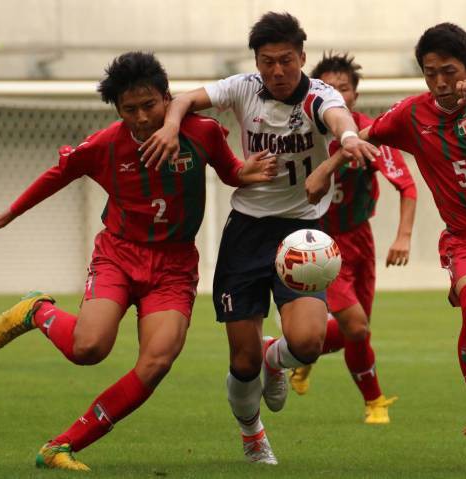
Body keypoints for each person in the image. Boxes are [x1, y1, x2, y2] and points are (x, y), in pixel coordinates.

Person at [0, 51, 276, 471]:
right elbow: (58, 175)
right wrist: (9, 213)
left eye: (149, 105)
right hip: (118, 255)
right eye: (129, 109)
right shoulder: (104, 145)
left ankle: (61, 446)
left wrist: (247, 172)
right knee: (89, 348)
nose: (141, 117)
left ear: (167, 99)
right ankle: (37, 311)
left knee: (156, 363)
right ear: (118, 110)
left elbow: (228, 171)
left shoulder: (201, 132)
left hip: (173, 267)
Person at [140, 12, 378, 464]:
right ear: (256, 62)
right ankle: (253, 435)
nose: (277, 71)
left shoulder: (319, 96)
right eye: (267, 61)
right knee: (242, 360)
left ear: (302, 58)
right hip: (247, 229)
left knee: (307, 342)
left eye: (286, 60)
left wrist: (347, 139)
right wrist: (171, 125)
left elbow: (340, 117)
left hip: (303, 232)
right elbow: (185, 98)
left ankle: (277, 359)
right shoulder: (244, 87)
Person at [306, 23, 466, 453]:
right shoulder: (411, 114)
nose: (441, 82)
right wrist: (325, 169)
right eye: (430, 72)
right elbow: (364, 136)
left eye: (450, 71)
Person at [286, 52, 417, 425]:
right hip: (319, 243)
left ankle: (295, 353)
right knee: (356, 325)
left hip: (361, 240)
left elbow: (406, 186)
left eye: (344, 89)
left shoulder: (371, 133)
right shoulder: (303, 136)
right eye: (329, 89)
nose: (338, 96)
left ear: (355, 96)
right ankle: (375, 402)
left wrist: (403, 236)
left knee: (356, 332)